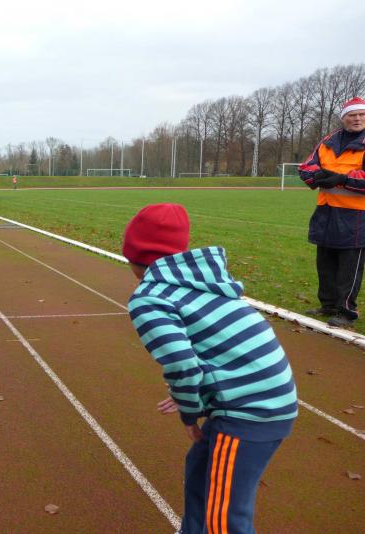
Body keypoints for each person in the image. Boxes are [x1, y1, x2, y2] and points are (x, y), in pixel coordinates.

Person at [123, 203, 297, 534]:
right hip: (261, 390)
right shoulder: (202, 280)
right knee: (201, 468)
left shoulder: (148, 298)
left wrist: (189, 413)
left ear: (131, 255)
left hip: (250, 410)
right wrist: (194, 392)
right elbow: (215, 351)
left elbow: (182, 364)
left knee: (225, 520)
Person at [299, 96, 365, 328]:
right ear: (343, 118)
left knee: (349, 268)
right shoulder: (328, 141)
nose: (357, 119)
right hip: (326, 212)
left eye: (362, 115)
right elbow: (307, 166)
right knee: (325, 264)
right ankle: (327, 305)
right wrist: (315, 176)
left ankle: (346, 312)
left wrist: (342, 179)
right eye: (352, 115)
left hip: (356, 217)